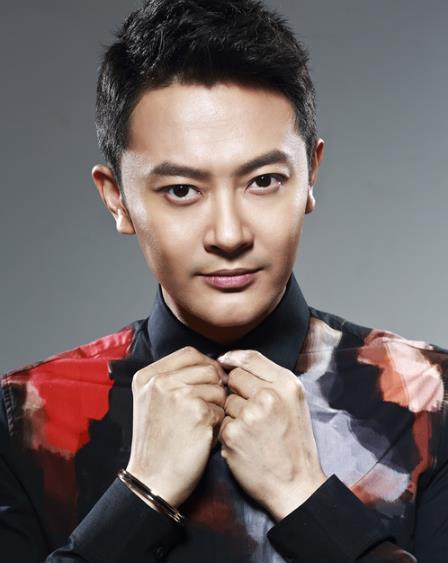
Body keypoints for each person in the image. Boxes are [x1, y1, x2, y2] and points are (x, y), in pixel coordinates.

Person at [1, 0, 446, 561]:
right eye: (181, 190)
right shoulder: (25, 416)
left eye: (263, 181)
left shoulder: (430, 397)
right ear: (117, 200)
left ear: (310, 175)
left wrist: (304, 497)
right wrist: (141, 497)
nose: (229, 234)